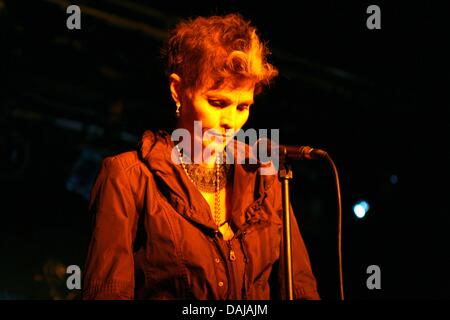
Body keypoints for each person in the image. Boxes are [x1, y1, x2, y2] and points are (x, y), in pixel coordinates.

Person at [82, 13, 319, 300]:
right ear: (178, 90)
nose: (231, 121)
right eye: (217, 102)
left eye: (243, 106)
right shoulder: (128, 177)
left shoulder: (266, 179)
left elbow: (302, 290)